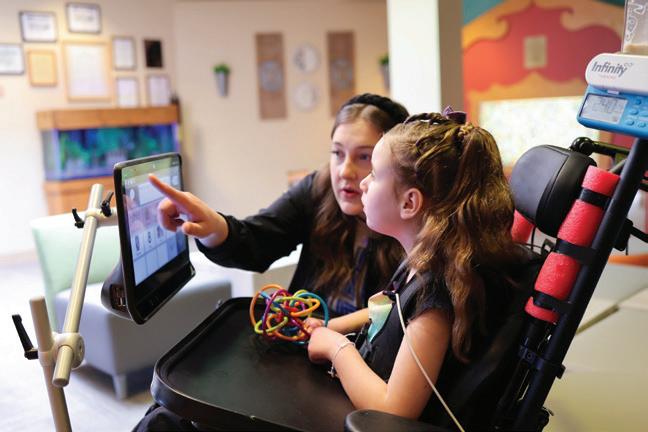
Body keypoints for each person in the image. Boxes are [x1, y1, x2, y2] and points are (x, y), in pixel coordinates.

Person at [305, 111, 527, 426]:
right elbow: (389, 307)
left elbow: (394, 411)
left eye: (375, 174)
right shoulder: (423, 258)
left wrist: (335, 348)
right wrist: (331, 326)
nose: (364, 183)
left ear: (409, 203)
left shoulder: (435, 297)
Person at [149, 93, 408, 316]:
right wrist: (214, 227)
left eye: (364, 156)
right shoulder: (317, 189)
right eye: (337, 153)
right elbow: (257, 241)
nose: (344, 171)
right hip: (300, 347)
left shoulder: (413, 226)